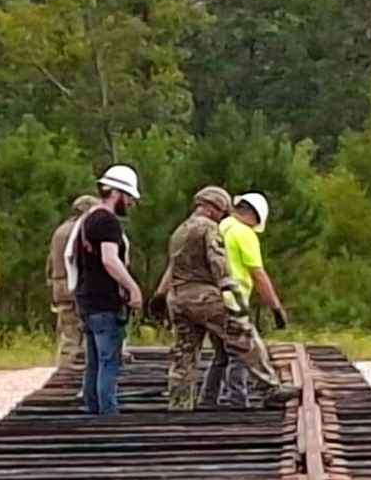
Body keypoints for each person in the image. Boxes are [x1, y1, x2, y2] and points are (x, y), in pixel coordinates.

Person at [159, 186, 298, 410]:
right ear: (215, 208)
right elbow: (218, 265)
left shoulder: (179, 231)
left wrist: (160, 295)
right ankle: (270, 387)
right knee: (244, 336)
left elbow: (172, 268)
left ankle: (179, 404)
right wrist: (236, 302)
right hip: (205, 298)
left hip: (178, 297)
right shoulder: (209, 228)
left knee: (184, 354)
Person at [199, 192, 289, 408]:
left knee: (221, 354)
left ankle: (208, 399)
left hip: (210, 299)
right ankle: (237, 400)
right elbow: (258, 274)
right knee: (241, 352)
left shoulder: (219, 226)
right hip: (233, 301)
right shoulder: (244, 233)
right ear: (254, 215)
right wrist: (275, 307)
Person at [72, 165, 144, 416]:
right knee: (109, 362)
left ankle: (92, 416)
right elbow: (109, 259)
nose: (131, 203)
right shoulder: (108, 221)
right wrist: (132, 287)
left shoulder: (88, 219)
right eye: (129, 197)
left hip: (87, 301)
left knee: (93, 364)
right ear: (117, 193)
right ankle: (108, 418)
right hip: (104, 303)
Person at [47, 195, 101, 368]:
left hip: (59, 285)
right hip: (76, 284)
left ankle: (62, 369)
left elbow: (50, 261)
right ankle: (76, 375)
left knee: (67, 333)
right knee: (84, 333)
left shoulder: (60, 231)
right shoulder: (83, 229)